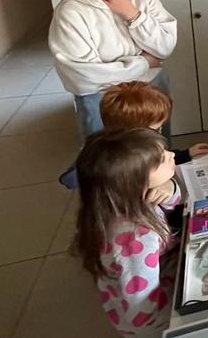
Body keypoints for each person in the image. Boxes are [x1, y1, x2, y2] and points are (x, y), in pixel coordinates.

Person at [48, 0, 177, 142]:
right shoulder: (72, 11)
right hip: (105, 103)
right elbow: (83, 77)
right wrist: (144, 63)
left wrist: (132, 14)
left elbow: (164, 46)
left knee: (159, 155)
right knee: (113, 166)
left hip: (152, 92)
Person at [73, 127, 182, 337]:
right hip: (153, 319)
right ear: (135, 180)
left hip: (151, 272)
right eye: (161, 159)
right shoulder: (135, 238)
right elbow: (141, 313)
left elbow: (170, 203)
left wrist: (169, 187)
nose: (172, 155)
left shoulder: (119, 199)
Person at [58, 81, 208, 190]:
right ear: (132, 131)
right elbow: (69, 178)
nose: (158, 132)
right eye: (155, 128)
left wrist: (186, 154)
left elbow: (156, 158)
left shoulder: (141, 144)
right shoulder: (109, 152)